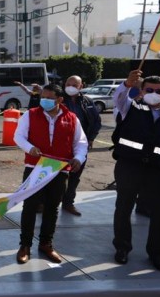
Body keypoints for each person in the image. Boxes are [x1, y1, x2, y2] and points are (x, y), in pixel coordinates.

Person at [111, 70, 160, 272]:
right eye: (149, 90)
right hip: (130, 167)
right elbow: (118, 99)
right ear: (142, 91)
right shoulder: (130, 107)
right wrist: (127, 84)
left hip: (159, 171)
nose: (154, 93)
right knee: (123, 208)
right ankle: (122, 248)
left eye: (158, 90)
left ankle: (157, 254)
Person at [12, 83, 87, 265]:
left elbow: (81, 142)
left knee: (52, 209)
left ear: (60, 100)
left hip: (59, 170)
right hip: (35, 168)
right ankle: (25, 245)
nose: (44, 100)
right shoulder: (30, 115)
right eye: (42, 97)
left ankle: (46, 244)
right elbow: (18, 136)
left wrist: (78, 157)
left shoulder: (72, 118)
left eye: (49, 98)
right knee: (30, 207)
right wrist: (30, 148)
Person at [59, 75, 101, 216]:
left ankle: (68, 203)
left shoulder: (87, 101)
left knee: (74, 176)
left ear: (81, 86)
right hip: (61, 145)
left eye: (74, 85)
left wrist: (91, 139)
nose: (70, 87)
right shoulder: (58, 99)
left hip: (80, 146)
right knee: (54, 176)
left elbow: (96, 121)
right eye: (68, 83)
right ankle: (44, 203)